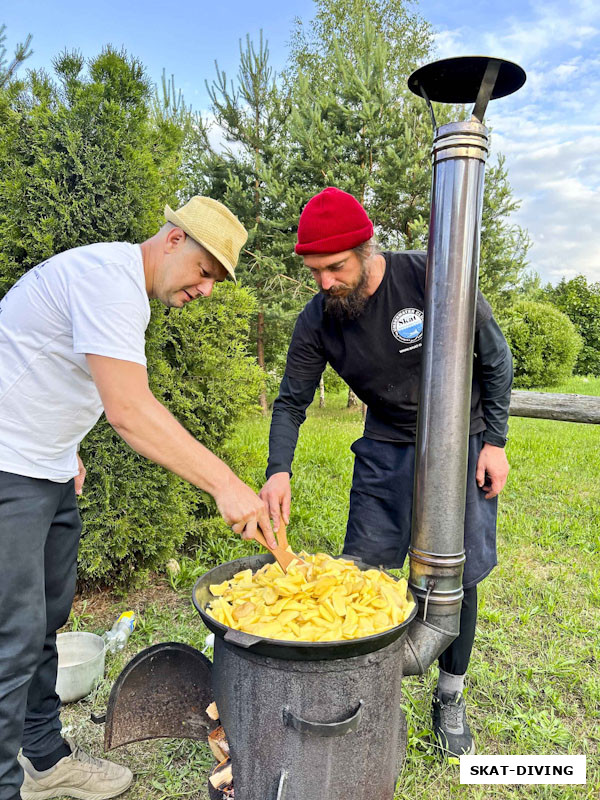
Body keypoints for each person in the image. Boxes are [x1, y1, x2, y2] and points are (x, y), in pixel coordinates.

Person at [0, 196, 276, 800]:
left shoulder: (120, 291)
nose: (205, 288)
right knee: (10, 638)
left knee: (44, 624)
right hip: (7, 468)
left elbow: (42, 363)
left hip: (42, 465)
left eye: (215, 282)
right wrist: (225, 483)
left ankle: (45, 763)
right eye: (204, 271)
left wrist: (63, 445)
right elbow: (130, 410)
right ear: (173, 239)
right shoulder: (110, 281)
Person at [259, 187, 513, 758]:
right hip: (385, 446)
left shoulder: (430, 276)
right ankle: (361, 693)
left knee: (460, 576)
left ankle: (450, 694)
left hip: (460, 439)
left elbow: (494, 357)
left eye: (335, 267)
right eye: (314, 271)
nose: (324, 281)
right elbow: (290, 401)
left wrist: (494, 440)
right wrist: (278, 470)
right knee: (361, 572)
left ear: (366, 249)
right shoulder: (319, 317)